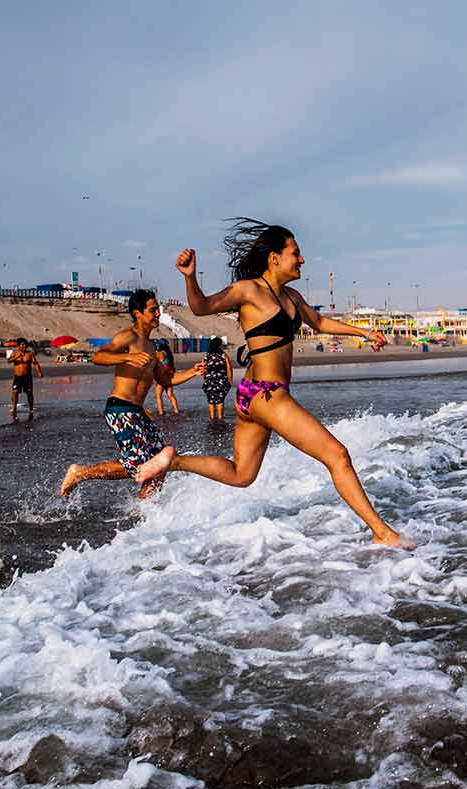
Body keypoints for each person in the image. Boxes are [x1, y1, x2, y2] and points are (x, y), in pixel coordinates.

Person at [130, 218, 407, 547]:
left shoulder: (291, 297)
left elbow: (318, 321)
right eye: (295, 253)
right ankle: (382, 533)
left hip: (251, 396)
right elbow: (201, 307)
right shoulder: (249, 290)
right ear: (274, 258)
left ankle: (172, 461)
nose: (301, 260)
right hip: (267, 395)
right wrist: (190, 278)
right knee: (338, 455)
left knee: (241, 475)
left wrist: (363, 332)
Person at [59, 290, 204, 499]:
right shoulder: (128, 336)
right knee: (138, 466)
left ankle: (145, 509)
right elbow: (99, 356)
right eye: (153, 310)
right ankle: (80, 473)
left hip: (137, 411)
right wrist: (127, 358)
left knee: (162, 462)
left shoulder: (153, 348)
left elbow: (166, 380)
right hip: (120, 408)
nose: (158, 315)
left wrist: (193, 371)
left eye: (158, 310)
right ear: (138, 313)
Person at [8, 337, 43, 420]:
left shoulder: (29, 354)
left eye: (25, 345)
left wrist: (39, 372)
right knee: (15, 392)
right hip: (18, 377)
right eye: (22, 345)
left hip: (27, 377)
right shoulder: (15, 353)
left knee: (29, 393)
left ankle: (31, 409)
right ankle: (14, 408)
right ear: (18, 346)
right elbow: (9, 360)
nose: (24, 346)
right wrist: (17, 357)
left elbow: (35, 363)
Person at [201, 336, 233, 420]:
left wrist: (204, 379)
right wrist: (230, 380)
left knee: (211, 401)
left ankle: (212, 419)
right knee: (220, 400)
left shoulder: (207, 355)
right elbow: (229, 368)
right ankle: (220, 418)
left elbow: (203, 368)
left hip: (209, 381)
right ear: (219, 345)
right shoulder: (223, 355)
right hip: (222, 381)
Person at [152, 338, 180, 415]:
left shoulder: (160, 353)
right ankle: (176, 410)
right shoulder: (169, 354)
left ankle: (161, 412)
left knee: (158, 396)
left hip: (162, 377)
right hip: (169, 376)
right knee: (170, 395)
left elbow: (153, 361)